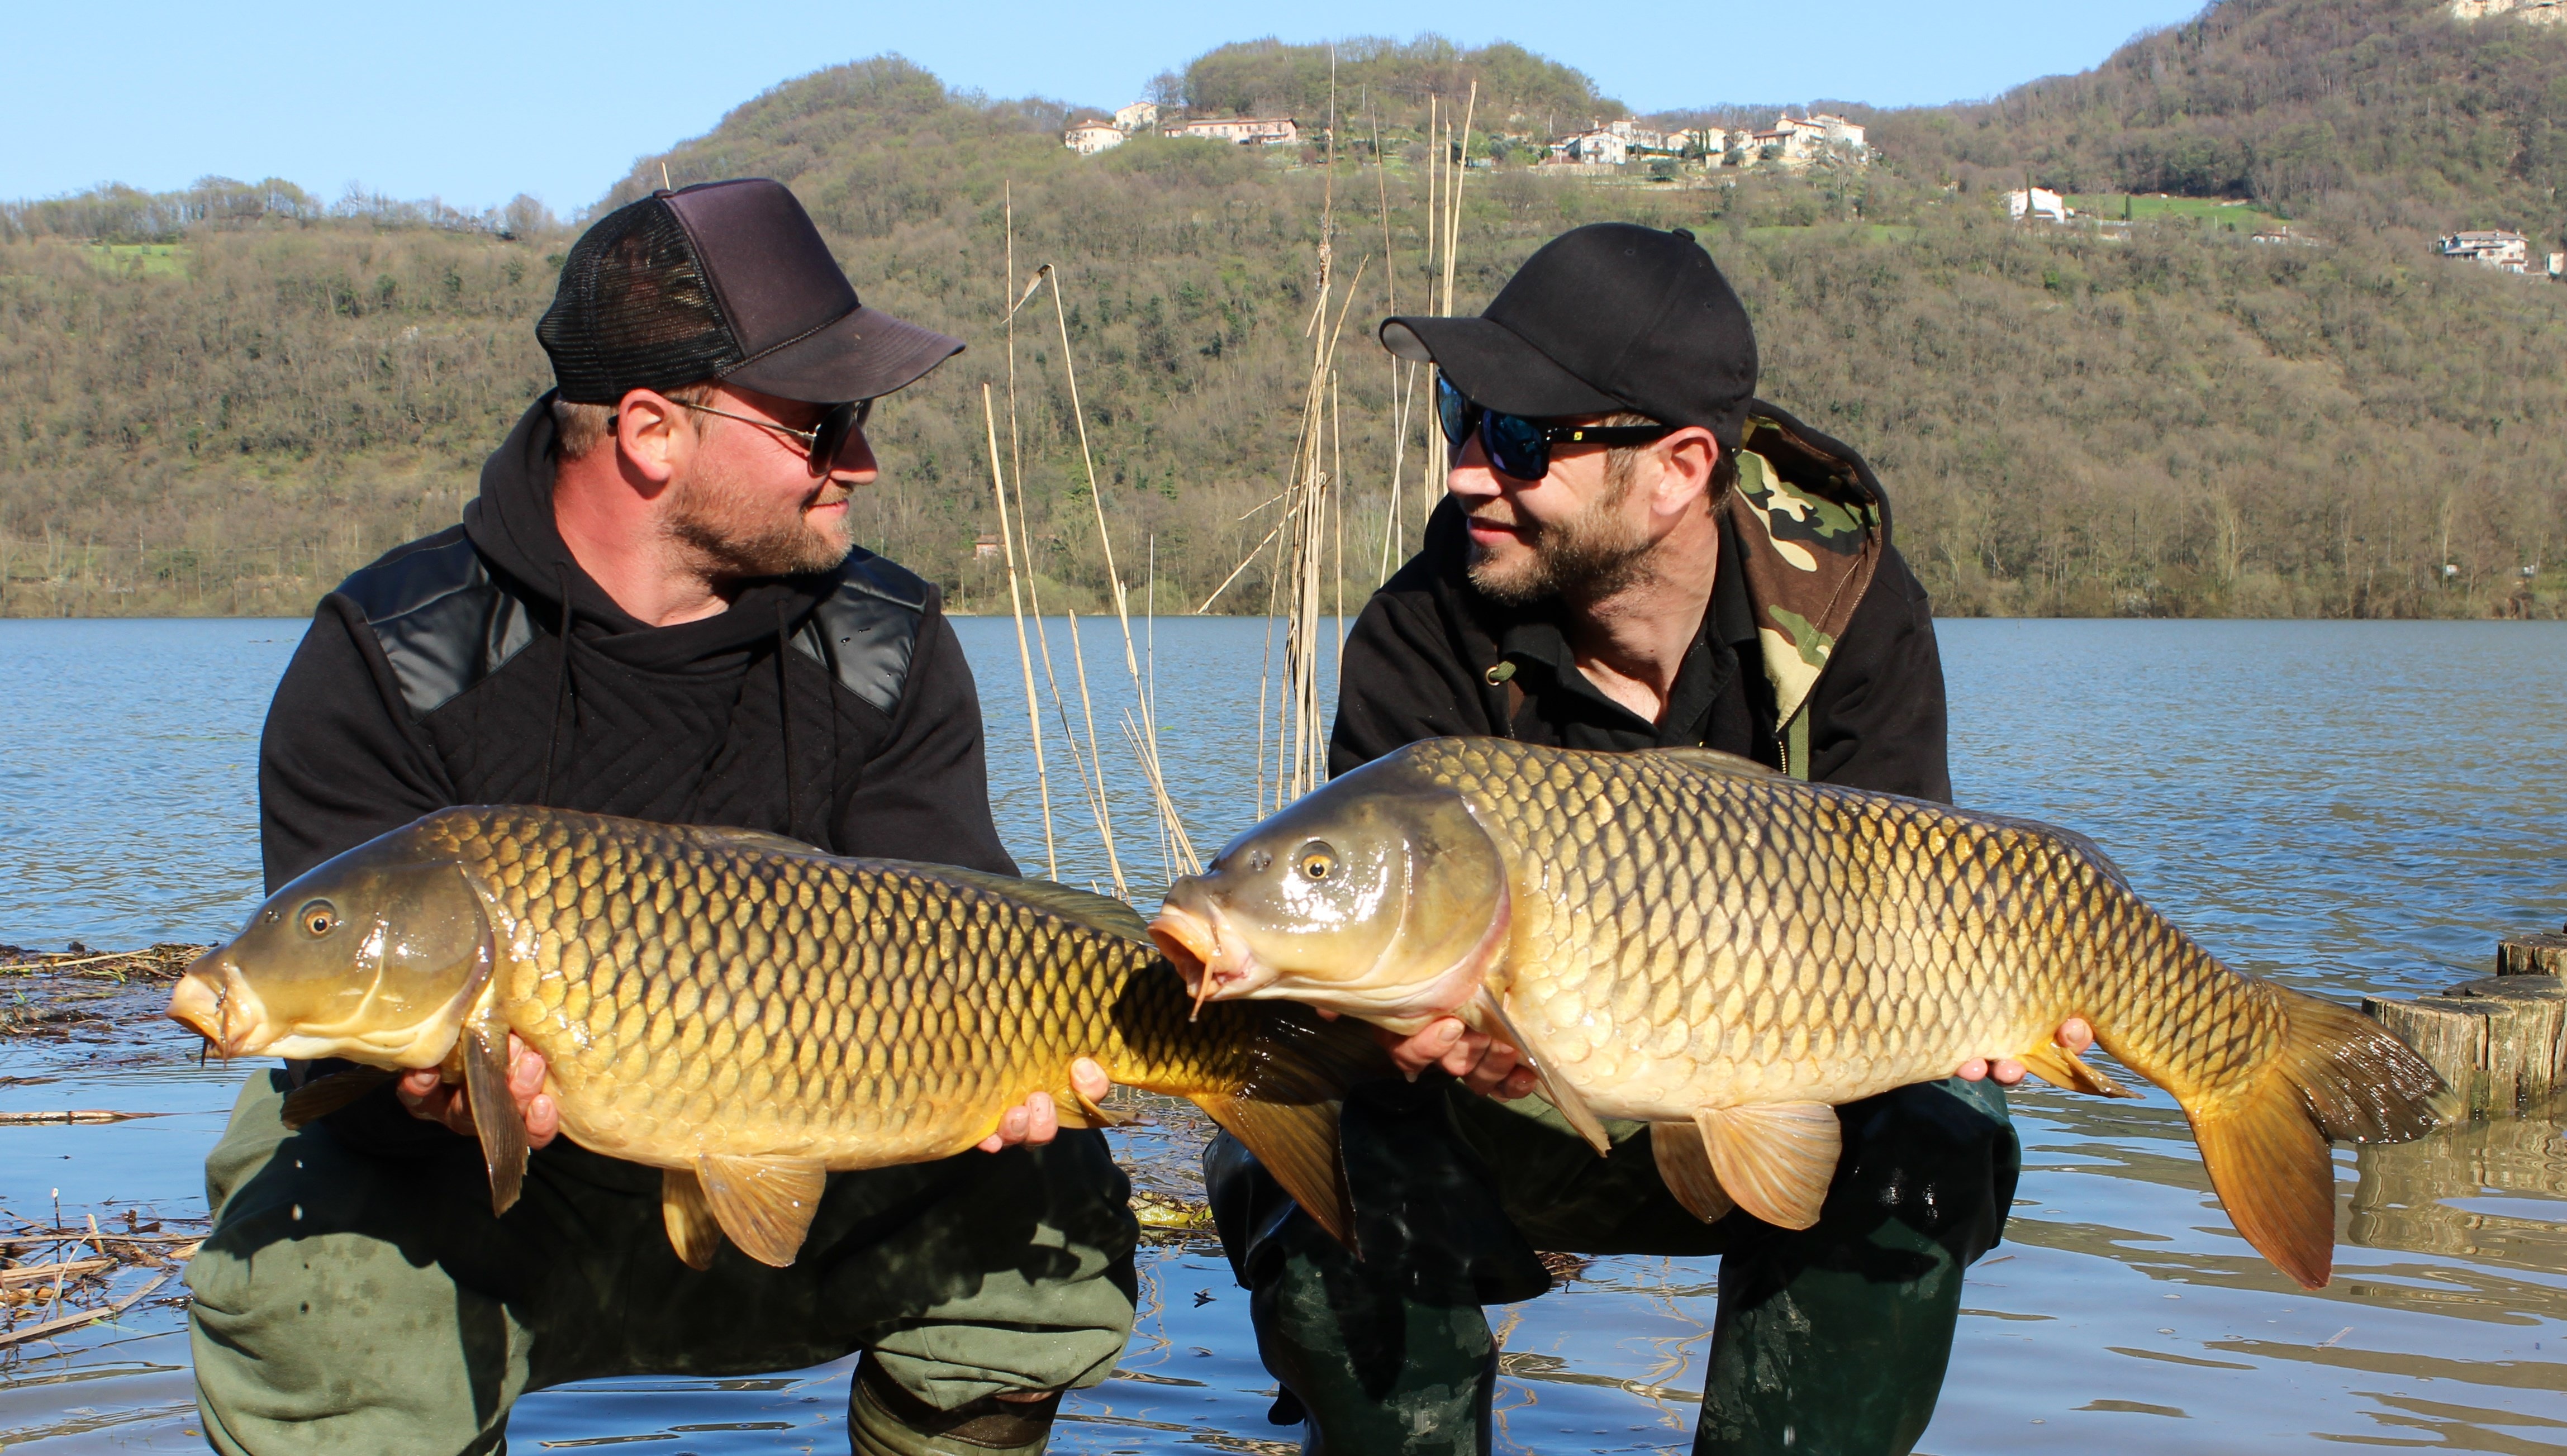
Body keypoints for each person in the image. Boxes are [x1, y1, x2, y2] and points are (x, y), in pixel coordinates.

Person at [184, 178, 1126, 1456]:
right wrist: (425, 1090)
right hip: (475, 1199)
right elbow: (335, 1009)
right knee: (303, 1280)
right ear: (650, 431)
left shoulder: (884, 640)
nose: (862, 457)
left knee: (1051, 1220)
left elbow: (965, 930)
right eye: (822, 422)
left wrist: (1004, 1072)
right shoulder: (394, 651)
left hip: (807, 1142)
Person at [1201, 222, 2093, 1455]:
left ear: (1677, 467)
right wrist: (1411, 1038)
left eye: (1516, 436)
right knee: (1289, 1146)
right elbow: (1360, 948)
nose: (1467, 470)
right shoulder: (1423, 625)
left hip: (1776, 1096)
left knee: (1937, 1145)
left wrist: (1985, 1011)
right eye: (1462, 415)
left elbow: (1914, 893)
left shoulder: (1849, 611)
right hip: (1505, 1112)